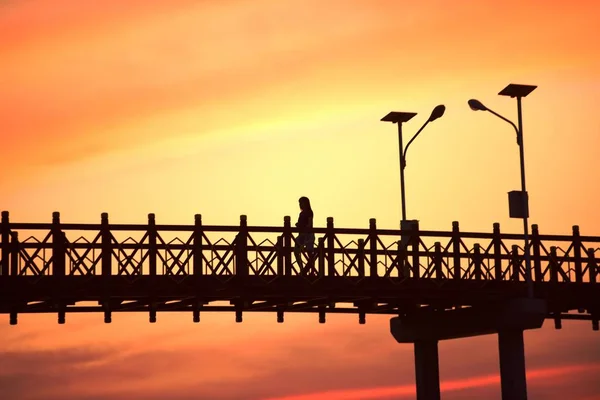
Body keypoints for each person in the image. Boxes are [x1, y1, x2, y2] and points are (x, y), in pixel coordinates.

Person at [294, 196, 314, 269]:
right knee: (296, 251)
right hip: (301, 235)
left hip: (308, 234)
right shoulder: (301, 214)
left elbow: (310, 224)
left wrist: (301, 225)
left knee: (309, 252)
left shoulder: (309, 212)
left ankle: (311, 269)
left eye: (301, 203)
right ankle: (302, 269)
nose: (300, 205)